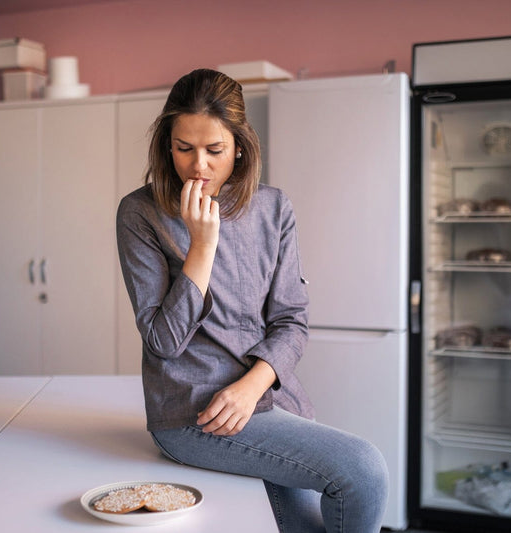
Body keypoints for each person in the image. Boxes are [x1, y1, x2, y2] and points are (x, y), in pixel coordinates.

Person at [116, 68, 388, 532]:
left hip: (267, 400)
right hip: (193, 415)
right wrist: (201, 248)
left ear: (239, 147)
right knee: (363, 471)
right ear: (167, 145)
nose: (198, 165)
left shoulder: (273, 207)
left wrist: (252, 386)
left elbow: (291, 321)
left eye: (214, 150)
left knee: (304, 522)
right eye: (184, 148)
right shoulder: (140, 213)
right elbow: (162, 341)